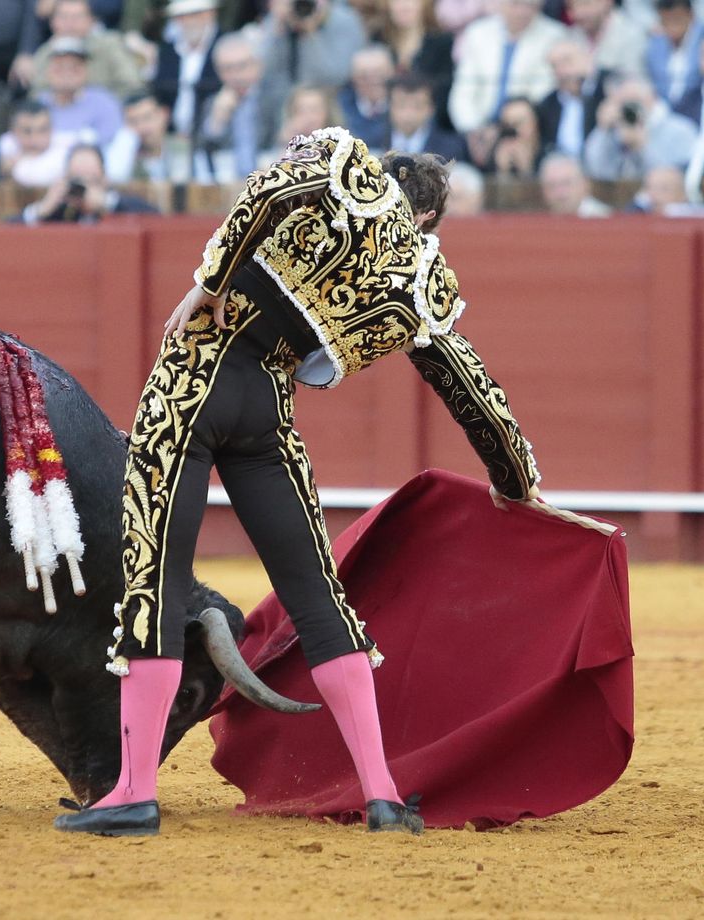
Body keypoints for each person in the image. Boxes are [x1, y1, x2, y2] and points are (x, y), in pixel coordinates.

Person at [53, 128, 541, 838]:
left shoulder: (343, 158)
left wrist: (211, 282)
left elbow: (271, 188)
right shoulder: (422, 281)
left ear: (389, 175)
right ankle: (382, 793)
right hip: (267, 412)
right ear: (431, 218)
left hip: (196, 378)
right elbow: (472, 390)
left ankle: (133, 790)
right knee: (318, 596)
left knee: (155, 579)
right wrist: (516, 480)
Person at [448, 0, 569, 135]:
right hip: (477, 130)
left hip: (526, 130)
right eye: (516, 4)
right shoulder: (478, 33)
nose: (522, 12)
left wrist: (505, 131)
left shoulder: (555, 36)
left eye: (530, 6)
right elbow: (464, 90)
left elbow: (543, 94)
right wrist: (475, 130)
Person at [198, 36, 286, 182]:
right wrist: (217, 121)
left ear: (258, 65)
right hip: (227, 185)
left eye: (242, 66)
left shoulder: (277, 96)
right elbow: (201, 152)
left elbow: (284, 139)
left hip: (270, 182)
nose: (235, 75)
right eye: (227, 69)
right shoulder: (212, 103)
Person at [582, 75, 699, 180]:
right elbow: (596, 171)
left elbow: (672, 181)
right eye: (623, 103)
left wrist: (642, 147)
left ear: (653, 97)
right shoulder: (614, 131)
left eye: (635, 101)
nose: (630, 109)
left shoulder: (681, 131)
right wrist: (604, 131)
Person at [258, 0, 370, 107]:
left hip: (333, 101)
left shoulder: (344, 20)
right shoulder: (283, 17)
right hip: (284, 102)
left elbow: (336, 76)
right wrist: (277, 28)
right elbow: (262, 71)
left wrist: (310, 34)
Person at [16, 141, 159, 222]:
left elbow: (157, 221)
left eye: (92, 181)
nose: (84, 190)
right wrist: (41, 210)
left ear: (104, 179)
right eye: (77, 182)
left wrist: (106, 202)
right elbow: (7, 231)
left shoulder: (121, 207)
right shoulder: (58, 212)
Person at [25, 0, 146, 96]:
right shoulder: (45, 53)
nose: (70, 23)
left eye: (77, 17)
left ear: (91, 20)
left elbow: (132, 85)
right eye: (63, 16)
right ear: (53, 22)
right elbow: (36, 95)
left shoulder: (111, 45)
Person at [0, 99, 80, 186]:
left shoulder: (65, 144)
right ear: (14, 131)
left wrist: (9, 166)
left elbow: (40, 177)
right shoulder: (7, 143)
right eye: (27, 131)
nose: (35, 139)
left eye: (42, 130)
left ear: (52, 129)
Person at [372, 0, 455, 127]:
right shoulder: (378, 40)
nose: (404, 5)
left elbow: (444, 89)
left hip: (432, 125)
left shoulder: (441, 42)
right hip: (383, 125)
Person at [152, 0, 223, 138]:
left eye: (195, 14)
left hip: (214, 135)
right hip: (171, 135)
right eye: (181, 16)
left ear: (210, 14)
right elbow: (160, 94)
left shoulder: (224, 45)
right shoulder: (167, 51)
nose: (188, 21)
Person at [33, 38, 124, 145]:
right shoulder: (38, 104)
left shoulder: (104, 102)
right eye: (60, 67)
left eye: (74, 67)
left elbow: (114, 144)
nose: (67, 73)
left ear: (86, 71)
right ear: (48, 71)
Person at [536, 39, 609, 160]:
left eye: (567, 61)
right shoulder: (548, 105)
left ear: (587, 58)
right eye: (554, 66)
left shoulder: (608, 88)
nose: (561, 71)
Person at [106, 92, 195, 182]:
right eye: (133, 121)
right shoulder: (123, 155)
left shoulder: (183, 147)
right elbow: (114, 179)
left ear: (164, 114)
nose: (142, 127)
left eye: (147, 118)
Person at [386, 73, 469, 160]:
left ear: (431, 108)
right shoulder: (372, 143)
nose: (408, 113)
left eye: (417, 106)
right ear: (389, 106)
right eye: (401, 105)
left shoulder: (451, 149)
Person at [647, 0, 704, 108]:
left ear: (691, 15)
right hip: (664, 108)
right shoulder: (656, 43)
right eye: (665, 21)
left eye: (677, 19)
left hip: (698, 104)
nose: (672, 26)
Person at [567, 0, 648, 78]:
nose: (579, 13)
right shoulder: (573, 35)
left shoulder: (631, 34)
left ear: (607, 2)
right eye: (573, 6)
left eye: (585, 4)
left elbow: (632, 81)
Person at [339, 45, 397, 148]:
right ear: (353, 78)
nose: (373, 81)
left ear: (392, 74)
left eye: (380, 74)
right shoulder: (339, 107)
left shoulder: (404, 105)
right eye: (364, 76)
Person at [539, 151, 613, 214]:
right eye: (552, 186)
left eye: (566, 184)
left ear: (585, 185)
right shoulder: (540, 221)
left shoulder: (604, 218)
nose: (560, 193)